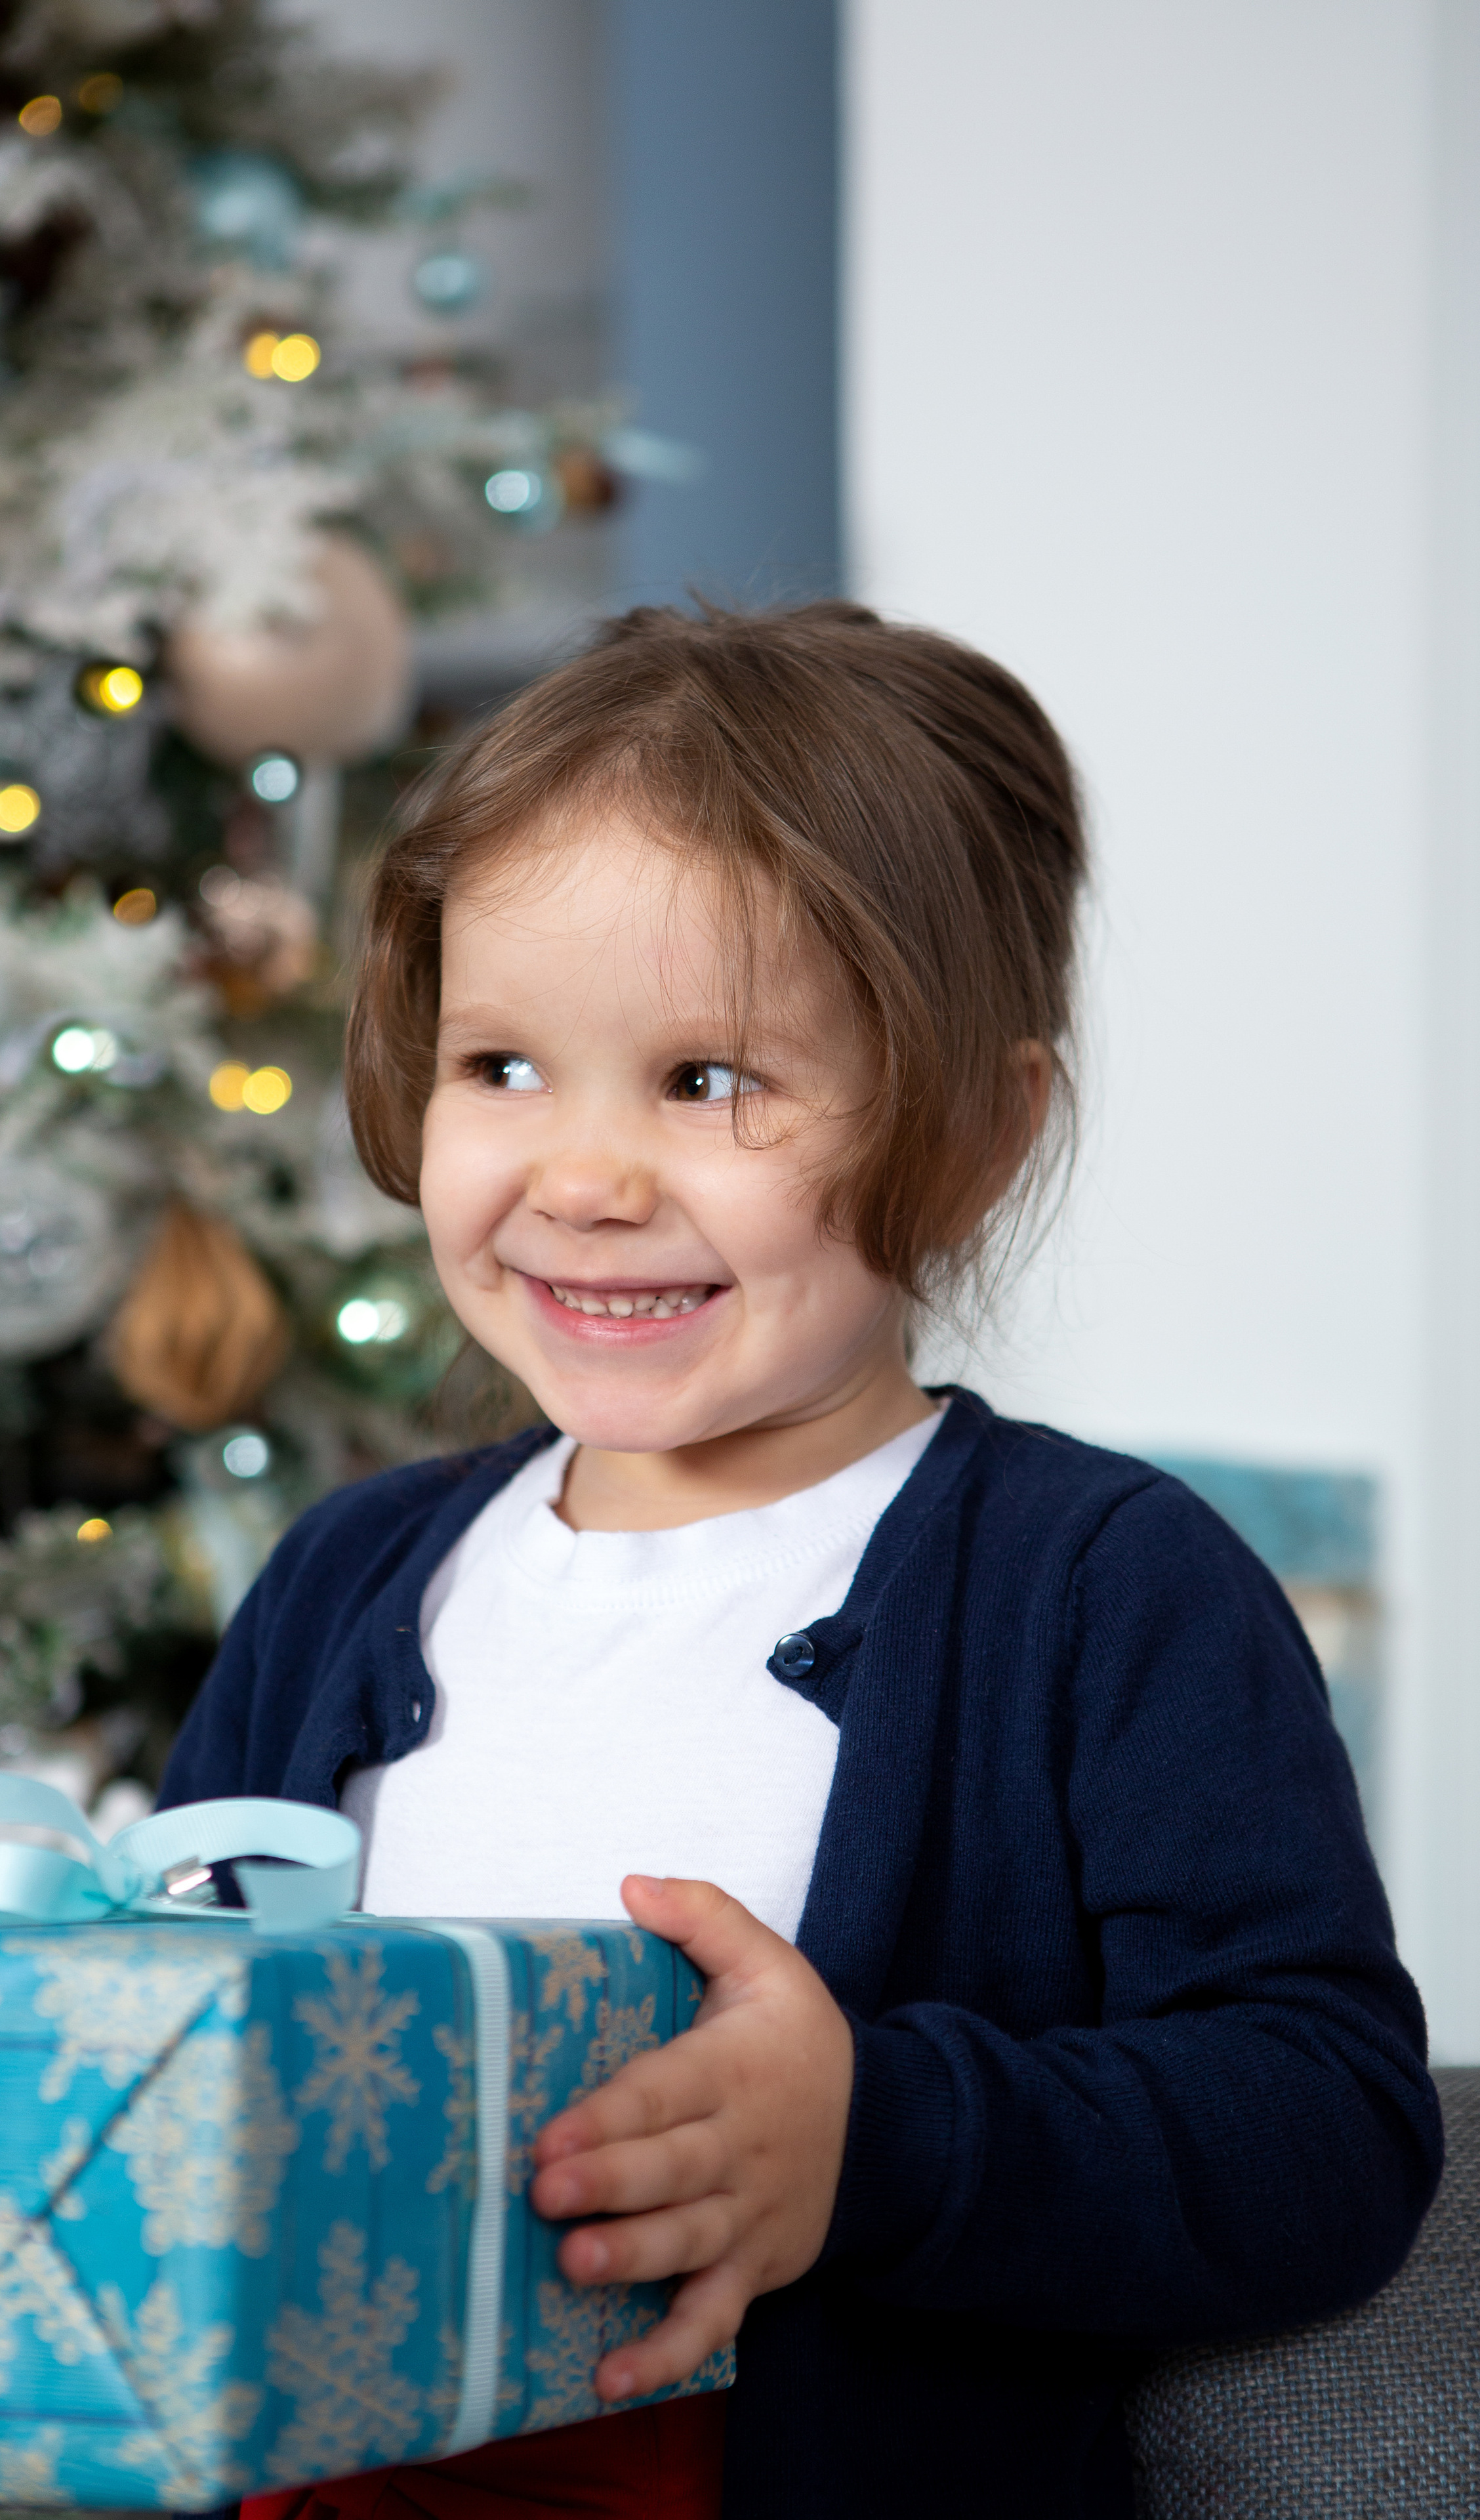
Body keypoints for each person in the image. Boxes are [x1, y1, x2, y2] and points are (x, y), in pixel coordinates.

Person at [161, 601, 1441, 2520]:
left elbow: (1323, 2129)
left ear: (980, 1131)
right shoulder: (349, 1578)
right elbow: (178, 2027)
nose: (585, 1179)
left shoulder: (1100, 1589)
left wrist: (878, 2135)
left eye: (708, 1082)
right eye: (503, 1066)